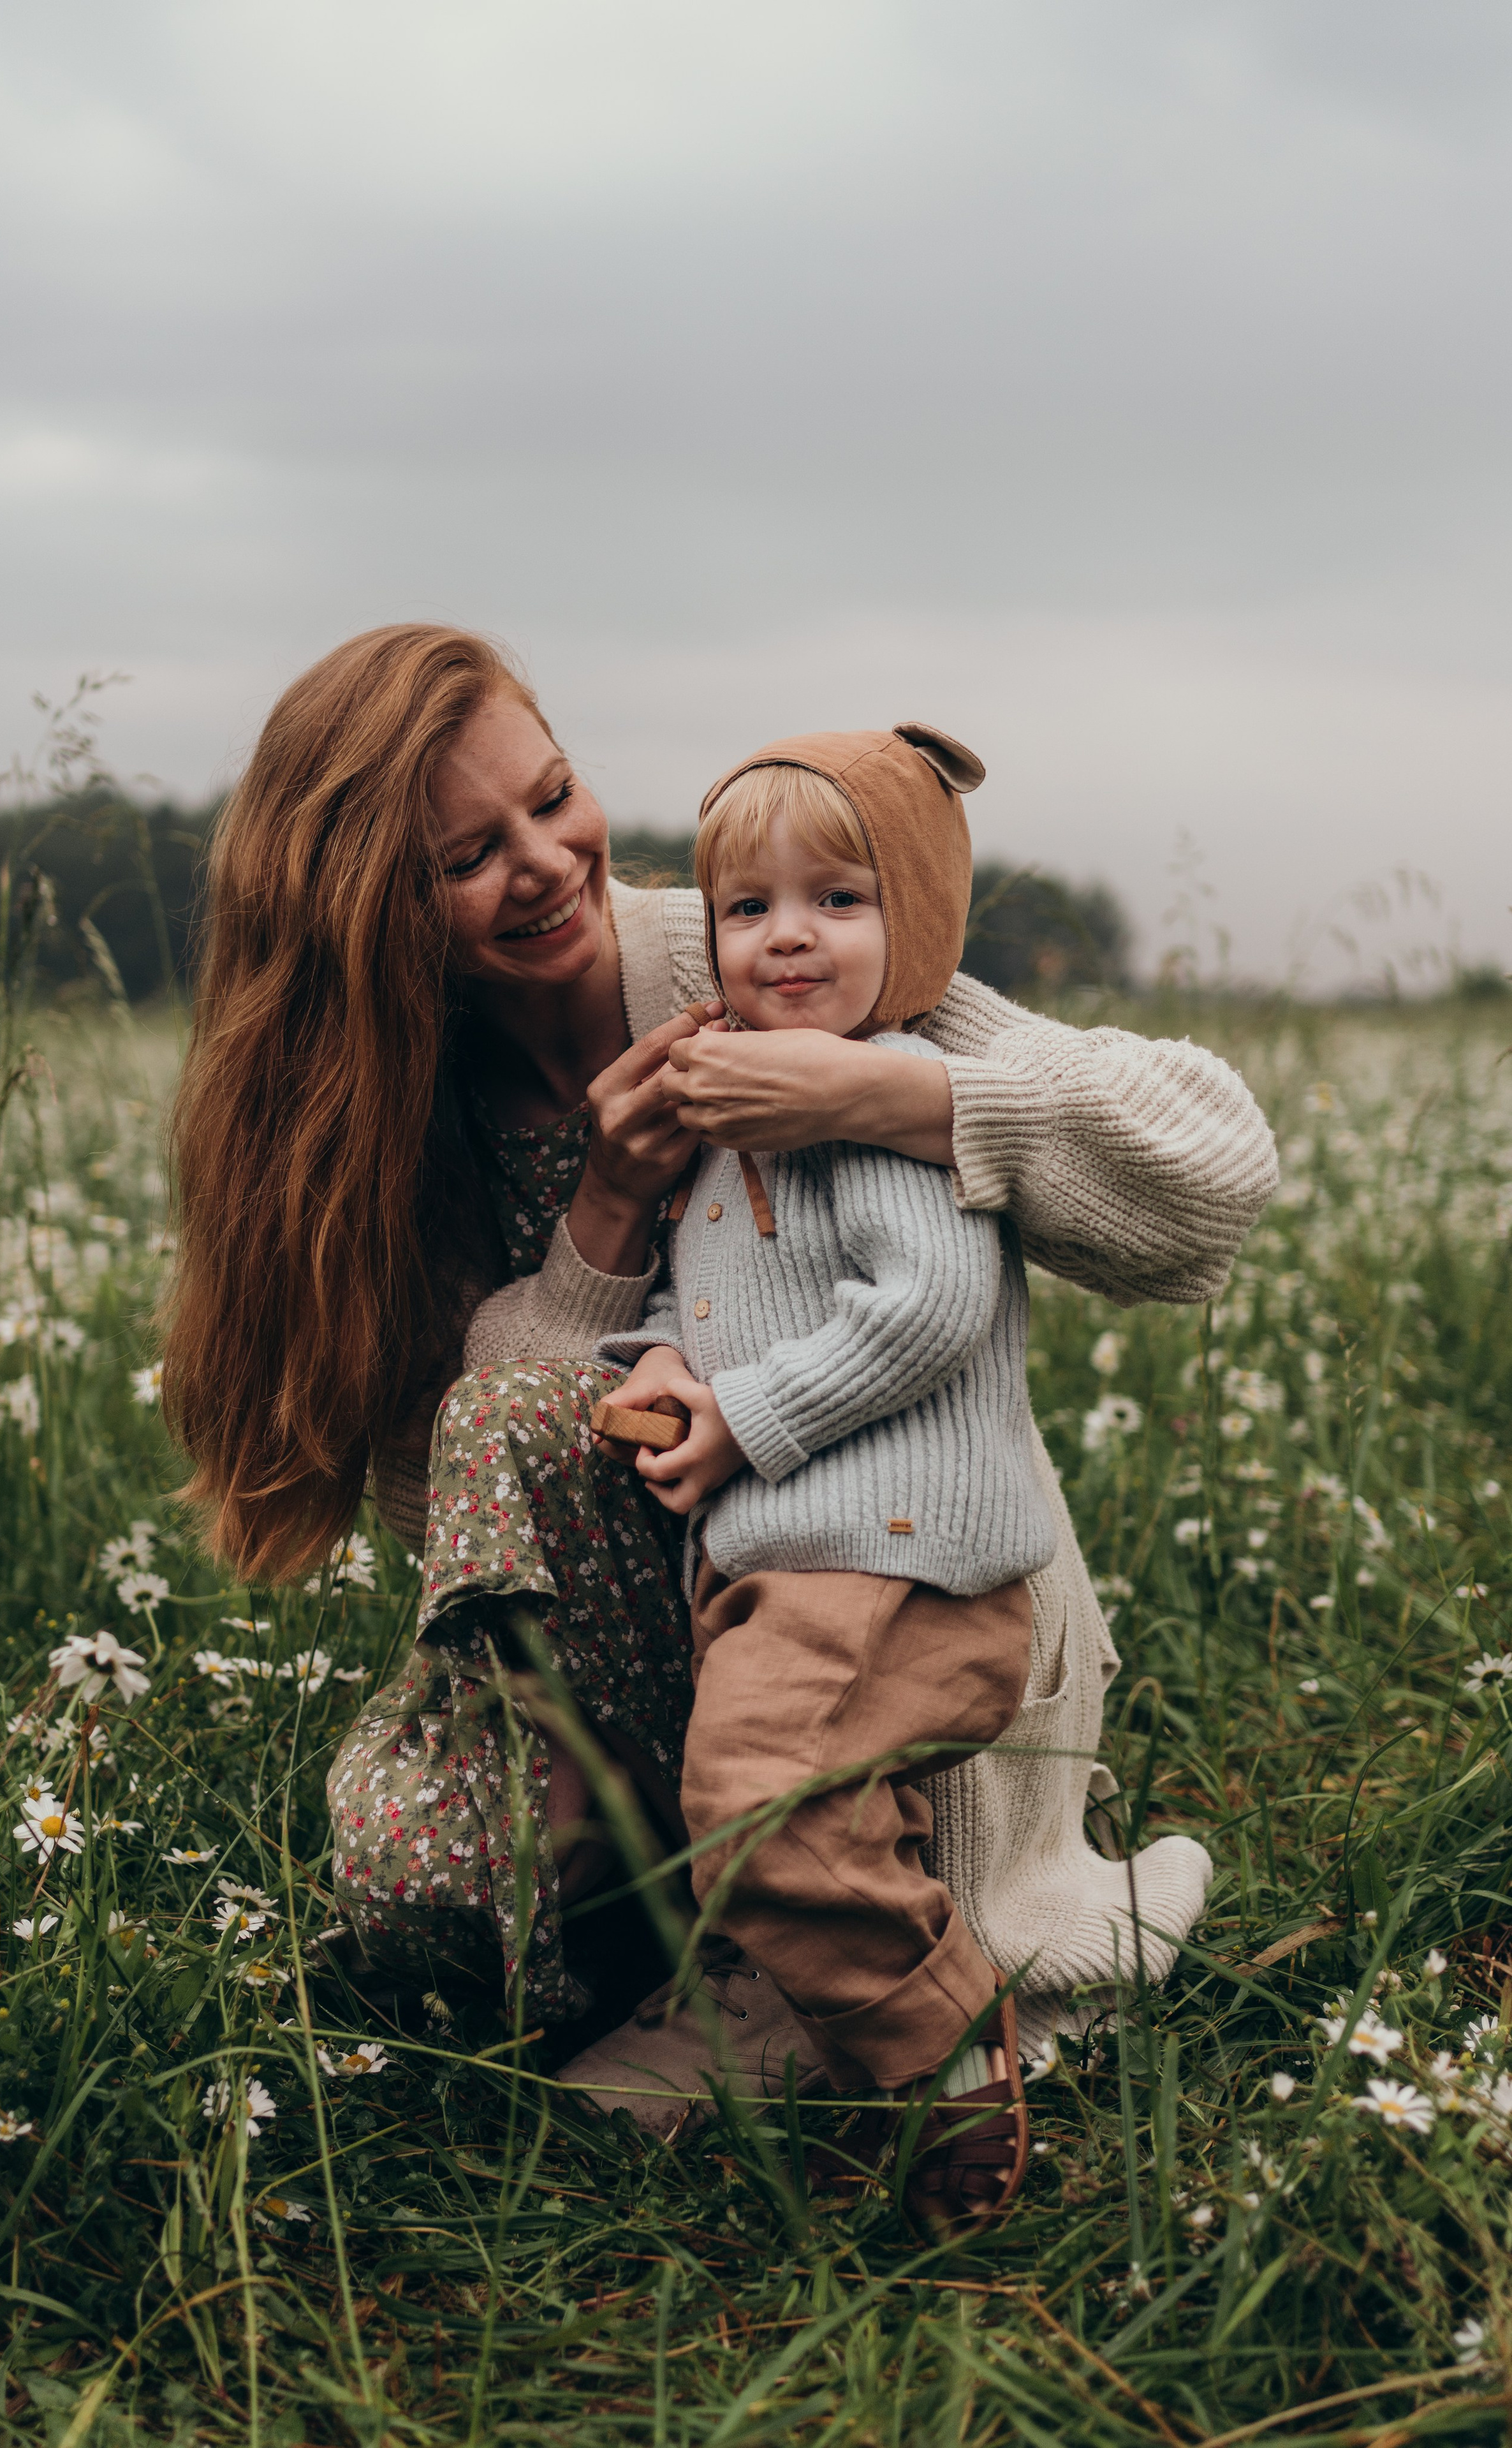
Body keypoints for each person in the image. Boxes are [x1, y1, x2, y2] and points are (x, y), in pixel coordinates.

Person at [163, 623, 1273, 2183]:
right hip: (659, 1638)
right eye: (467, 857)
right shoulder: (402, 1107)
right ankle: (674, 1925)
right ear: (368, 919)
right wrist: (607, 1220)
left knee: (653, 1949)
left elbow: (1211, 1176)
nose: (547, 863)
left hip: (884, 1581)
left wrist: (886, 1092)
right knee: (400, 1877)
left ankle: (847, 1969)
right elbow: (455, 1519)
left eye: (553, 797)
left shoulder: (766, 945)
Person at [591, 726, 1057, 2225]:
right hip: (804, 1557)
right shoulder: (736, 1113)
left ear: (909, 923)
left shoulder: (879, 1089)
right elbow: (715, 1296)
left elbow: (929, 1305)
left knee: (750, 1801)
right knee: (818, 1821)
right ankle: (882, 2065)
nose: (788, 935)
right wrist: (662, 1367)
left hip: (892, 1555)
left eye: (840, 899)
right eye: (749, 907)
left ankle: (944, 2044)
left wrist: (748, 1422)